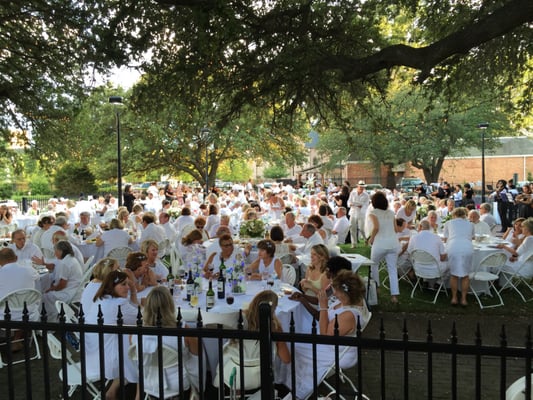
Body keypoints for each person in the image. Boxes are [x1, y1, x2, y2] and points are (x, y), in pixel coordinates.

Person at [285, 270, 370, 399]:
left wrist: (323, 306)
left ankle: (299, 386)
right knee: (297, 336)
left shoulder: (348, 315)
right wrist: (304, 298)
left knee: (292, 346)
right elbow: (323, 318)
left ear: (345, 292)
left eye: (336, 289)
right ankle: (297, 378)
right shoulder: (351, 299)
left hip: (338, 351)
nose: (333, 292)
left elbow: (325, 336)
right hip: (333, 340)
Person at [215, 290, 290, 391]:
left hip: (234, 371)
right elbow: (286, 359)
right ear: (272, 309)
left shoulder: (238, 319)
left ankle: (237, 393)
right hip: (260, 374)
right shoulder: (274, 327)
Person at [134, 286, 200, 397]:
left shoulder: (135, 334)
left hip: (149, 382)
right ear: (170, 305)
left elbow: (139, 362)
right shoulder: (183, 330)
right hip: (178, 383)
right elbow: (197, 355)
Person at [85, 270, 139, 399]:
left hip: (92, 353)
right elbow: (140, 318)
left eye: (128, 284)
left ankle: (112, 391)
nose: (127, 287)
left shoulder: (101, 299)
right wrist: (134, 292)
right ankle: (139, 394)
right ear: (112, 287)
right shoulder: (119, 304)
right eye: (123, 284)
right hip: (105, 357)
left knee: (129, 337)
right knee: (141, 349)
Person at [368, 191, 400, 303]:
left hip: (380, 243)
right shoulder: (391, 213)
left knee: (373, 265)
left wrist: (371, 239)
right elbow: (396, 229)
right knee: (392, 269)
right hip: (393, 243)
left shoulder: (373, 213)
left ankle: (377, 288)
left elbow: (376, 227)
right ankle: (394, 295)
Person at [42, 241, 83, 321]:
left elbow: (62, 285)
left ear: (61, 251)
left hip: (70, 292)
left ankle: (51, 320)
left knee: (45, 296)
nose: (55, 253)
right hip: (75, 289)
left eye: (56, 251)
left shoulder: (65, 263)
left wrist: (51, 289)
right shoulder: (71, 259)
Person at [442, 207, 474, 307]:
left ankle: (454, 298)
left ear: (454, 214)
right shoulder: (471, 224)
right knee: (465, 275)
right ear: (464, 214)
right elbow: (472, 237)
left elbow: (445, 238)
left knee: (454, 274)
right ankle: (464, 299)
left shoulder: (449, 223)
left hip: (453, 247)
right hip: (467, 247)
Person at [0, 248, 39, 321]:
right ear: (16, 258)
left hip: (4, 315)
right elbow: (37, 277)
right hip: (29, 313)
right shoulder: (29, 270)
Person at [348, 181, 370, 247]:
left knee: (362, 228)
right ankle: (354, 244)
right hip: (353, 212)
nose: (361, 188)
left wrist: (362, 206)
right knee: (352, 228)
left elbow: (366, 204)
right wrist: (350, 204)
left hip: (361, 213)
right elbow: (349, 201)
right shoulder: (353, 193)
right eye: (360, 187)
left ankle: (367, 239)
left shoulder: (366, 195)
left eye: (362, 187)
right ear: (357, 186)